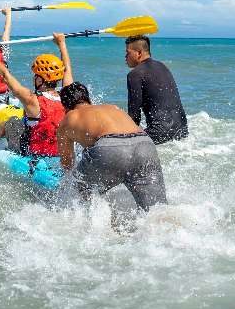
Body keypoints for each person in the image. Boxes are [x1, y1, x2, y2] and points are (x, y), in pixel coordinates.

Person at [57, 79, 167, 211]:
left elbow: (67, 163)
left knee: (78, 189)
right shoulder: (111, 107)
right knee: (157, 210)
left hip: (110, 149)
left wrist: (67, 180)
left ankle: (87, 228)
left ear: (65, 107)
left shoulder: (68, 119)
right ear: (88, 99)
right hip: (144, 144)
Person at [0, 32, 70, 157]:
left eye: (36, 76)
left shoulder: (33, 100)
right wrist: (62, 44)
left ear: (40, 80)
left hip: (33, 154)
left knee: (13, 122)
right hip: (58, 154)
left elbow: (5, 76)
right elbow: (67, 70)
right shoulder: (68, 96)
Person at [125, 35, 188, 144]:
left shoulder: (134, 74)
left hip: (159, 133)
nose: (125, 57)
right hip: (182, 130)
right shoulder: (163, 67)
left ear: (139, 53)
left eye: (128, 52)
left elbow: (134, 116)